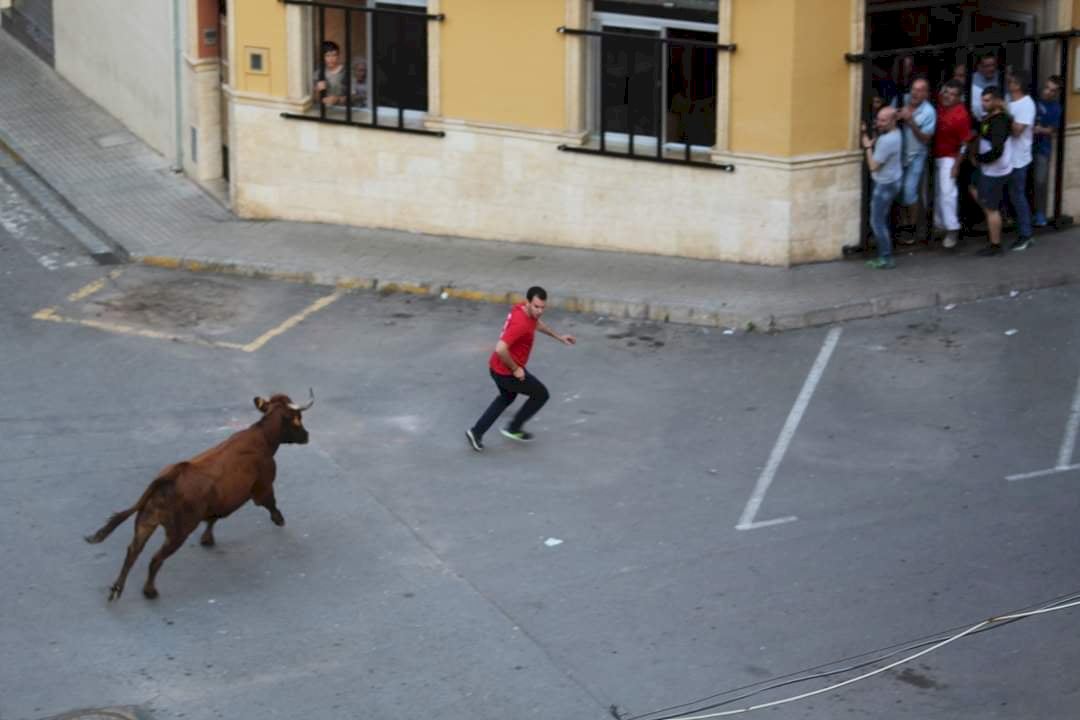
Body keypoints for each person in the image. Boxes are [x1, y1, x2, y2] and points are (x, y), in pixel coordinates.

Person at [466, 287, 576, 451]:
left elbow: (536, 323)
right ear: (528, 302)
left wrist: (559, 337)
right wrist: (516, 369)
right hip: (507, 372)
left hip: (495, 367)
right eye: (536, 307)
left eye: (543, 307)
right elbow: (500, 348)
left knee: (506, 397)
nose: (540, 311)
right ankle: (513, 428)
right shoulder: (521, 324)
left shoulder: (522, 309)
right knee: (541, 394)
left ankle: (476, 432)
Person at [969, 86, 1013, 256]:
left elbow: (997, 151)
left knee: (990, 208)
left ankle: (995, 244)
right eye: (982, 100)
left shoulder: (999, 122)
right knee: (973, 186)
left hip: (994, 171)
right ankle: (994, 215)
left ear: (996, 100)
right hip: (989, 169)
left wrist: (980, 159)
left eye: (987, 100)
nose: (983, 103)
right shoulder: (991, 117)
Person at [932, 79, 973, 249]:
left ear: (959, 97)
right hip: (935, 155)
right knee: (938, 193)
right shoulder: (941, 104)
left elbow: (965, 143)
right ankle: (940, 225)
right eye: (946, 92)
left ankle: (952, 229)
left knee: (947, 193)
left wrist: (956, 165)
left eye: (952, 94)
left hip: (949, 157)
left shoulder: (961, 115)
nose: (947, 96)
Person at [896, 77, 936, 243]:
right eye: (914, 89)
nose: (915, 93)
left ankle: (912, 228)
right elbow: (887, 116)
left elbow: (926, 138)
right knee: (898, 191)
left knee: (909, 192)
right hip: (898, 156)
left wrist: (911, 122)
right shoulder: (902, 99)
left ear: (926, 94)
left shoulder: (929, 112)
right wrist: (897, 115)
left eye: (920, 90)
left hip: (916, 156)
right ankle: (902, 225)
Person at [861, 106, 903, 269]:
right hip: (894, 180)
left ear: (893, 121)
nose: (879, 123)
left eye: (883, 120)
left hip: (884, 185)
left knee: (877, 222)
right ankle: (885, 254)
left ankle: (886, 258)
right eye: (878, 119)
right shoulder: (896, 133)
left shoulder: (887, 141)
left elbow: (873, 166)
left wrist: (867, 147)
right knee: (882, 219)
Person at [1005, 71, 1036, 251]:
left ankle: (1026, 235)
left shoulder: (1027, 104)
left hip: (1019, 159)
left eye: (1011, 81)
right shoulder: (1010, 102)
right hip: (1007, 158)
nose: (1008, 83)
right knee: (1011, 195)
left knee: (1018, 196)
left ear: (1018, 85)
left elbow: (1017, 131)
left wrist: (1004, 113)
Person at [1032, 75, 1063, 227]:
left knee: (1040, 182)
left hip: (1042, 149)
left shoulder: (1056, 108)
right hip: (1025, 147)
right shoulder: (1034, 99)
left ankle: (1040, 214)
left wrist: (1039, 129)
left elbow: (1051, 130)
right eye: (1047, 88)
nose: (1048, 92)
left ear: (1057, 93)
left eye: (1052, 90)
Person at [313, 41, 349, 107]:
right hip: (325, 109)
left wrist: (338, 99)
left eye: (334, 55)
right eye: (327, 55)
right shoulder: (319, 73)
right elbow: (315, 99)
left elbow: (355, 95)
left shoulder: (346, 72)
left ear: (338, 56)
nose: (331, 59)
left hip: (343, 109)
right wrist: (317, 91)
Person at [970, 52, 1001, 121]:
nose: (991, 68)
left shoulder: (1001, 78)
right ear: (979, 67)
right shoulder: (971, 81)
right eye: (987, 66)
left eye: (993, 65)